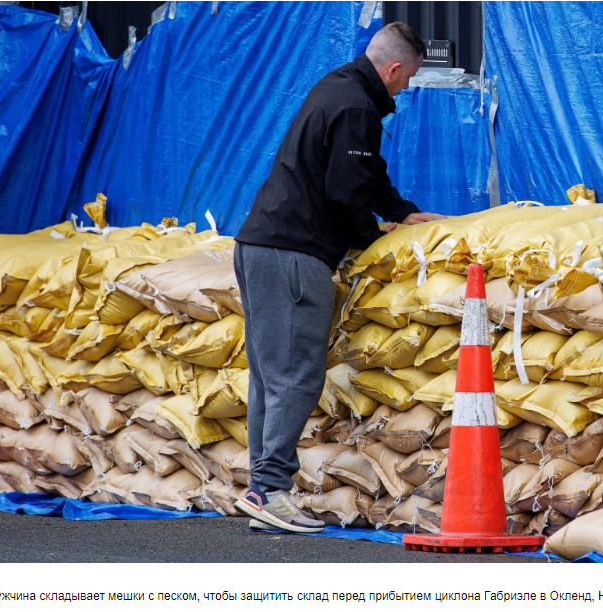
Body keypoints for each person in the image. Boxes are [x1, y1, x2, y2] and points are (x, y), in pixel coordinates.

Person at [232, 22, 444, 532]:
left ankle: (263, 490)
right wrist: (375, 244)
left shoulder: (337, 88)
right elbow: (345, 192)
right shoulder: (355, 106)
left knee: (268, 378)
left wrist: (400, 209)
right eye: (408, 78)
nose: (406, 88)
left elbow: (365, 175)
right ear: (393, 69)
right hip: (294, 257)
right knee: (296, 377)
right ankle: (270, 491)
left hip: (258, 247)